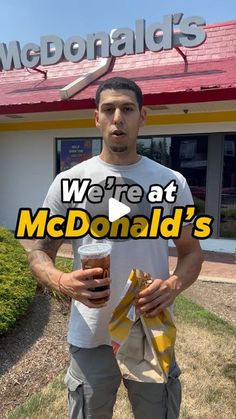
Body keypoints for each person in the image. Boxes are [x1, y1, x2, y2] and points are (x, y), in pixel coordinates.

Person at [28, 76, 203, 419]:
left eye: (127, 108)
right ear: (97, 118)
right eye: (108, 109)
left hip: (149, 330)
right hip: (91, 333)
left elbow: (191, 252)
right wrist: (62, 281)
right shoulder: (69, 183)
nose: (118, 118)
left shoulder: (171, 183)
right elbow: (39, 251)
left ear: (143, 116)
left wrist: (172, 285)